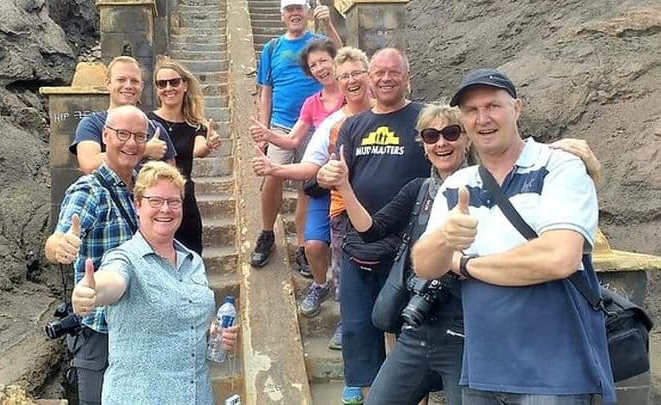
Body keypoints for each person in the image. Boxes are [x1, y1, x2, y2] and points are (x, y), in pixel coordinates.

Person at [323, 102, 602, 405]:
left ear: (467, 137)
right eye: (431, 136)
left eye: (451, 133)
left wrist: (554, 152)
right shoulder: (420, 189)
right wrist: (344, 188)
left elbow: (518, 166)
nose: (441, 142)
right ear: (424, 146)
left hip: (470, 329)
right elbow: (373, 230)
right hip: (421, 323)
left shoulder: (492, 184)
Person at [412, 69, 616, 404]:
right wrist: (444, 239)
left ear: (517, 108)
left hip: (554, 373)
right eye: (471, 110)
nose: (483, 118)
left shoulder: (559, 166)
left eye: (493, 105)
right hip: (481, 369)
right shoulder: (456, 185)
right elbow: (424, 265)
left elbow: (558, 258)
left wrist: (465, 265)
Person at [71, 161, 238, 404]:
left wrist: (213, 334)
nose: (165, 209)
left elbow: (185, 324)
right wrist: (91, 291)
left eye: (173, 201)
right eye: (155, 201)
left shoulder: (193, 262)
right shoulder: (125, 258)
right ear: (137, 205)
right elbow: (112, 281)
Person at [317, 47, 431, 405]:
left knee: (410, 329)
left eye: (393, 72)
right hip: (359, 242)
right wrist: (325, 175)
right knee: (358, 331)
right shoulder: (353, 124)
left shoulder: (424, 119)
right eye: (378, 72)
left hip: (410, 245)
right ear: (368, 76)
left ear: (407, 76)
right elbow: (337, 171)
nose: (384, 78)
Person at [44, 105, 148, 405]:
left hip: (138, 326)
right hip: (101, 329)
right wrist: (61, 245)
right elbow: (59, 239)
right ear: (105, 136)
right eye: (122, 134)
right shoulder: (90, 190)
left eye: (139, 136)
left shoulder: (143, 186)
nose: (131, 143)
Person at [252, 47, 365, 321]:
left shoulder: (379, 109)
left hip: (365, 194)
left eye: (356, 74)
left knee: (347, 255)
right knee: (315, 246)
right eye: (345, 76)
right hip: (329, 190)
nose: (350, 81)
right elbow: (305, 156)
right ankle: (320, 284)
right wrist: (274, 167)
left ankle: (347, 314)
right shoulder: (329, 118)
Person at [251, 0, 342, 272]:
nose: (294, 13)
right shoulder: (272, 48)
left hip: (317, 125)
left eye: (299, 8)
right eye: (289, 9)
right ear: (282, 15)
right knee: (272, 176)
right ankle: (267, 233)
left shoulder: (317, 43)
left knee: (309, 188)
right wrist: (264, 129)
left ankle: (303, 245)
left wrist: (328, 26)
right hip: (281, 122)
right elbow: (265, 91)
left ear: (307, 10)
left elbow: (341, 59)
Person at [148, 57, 222, 255]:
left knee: (190, 255)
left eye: (174, 82)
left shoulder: (196, 125)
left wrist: (208, 144)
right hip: (152, 198)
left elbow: (198, 150)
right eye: (161, 84)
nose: (168, 88)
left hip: (183, 198)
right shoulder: (147, 121)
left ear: (184, 85)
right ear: (156, 89)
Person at [70, 56, 176, 174]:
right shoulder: (92, 124)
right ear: (108, 83)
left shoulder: (156, 128)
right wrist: (145, 150)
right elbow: (89, 164)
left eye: (135, 81)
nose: (128, 86)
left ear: (141, 86)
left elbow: (173, 179)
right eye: (121, 80)